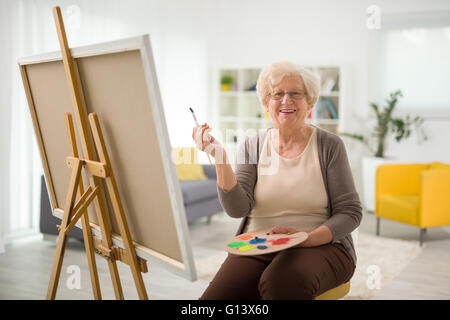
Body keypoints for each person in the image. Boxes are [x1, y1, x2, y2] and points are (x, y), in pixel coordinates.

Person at [192, 60, 362, 300]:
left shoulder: (329, 145)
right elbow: (237, 208)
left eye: (296, 94)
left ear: (310, 101)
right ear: (265, 102)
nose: (286, 100)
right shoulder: (253, 145)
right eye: (277, 94)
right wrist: (219, 156)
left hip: (321, 244)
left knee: (278, 283)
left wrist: (306, 239)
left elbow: (350, 212)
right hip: (259, 243)